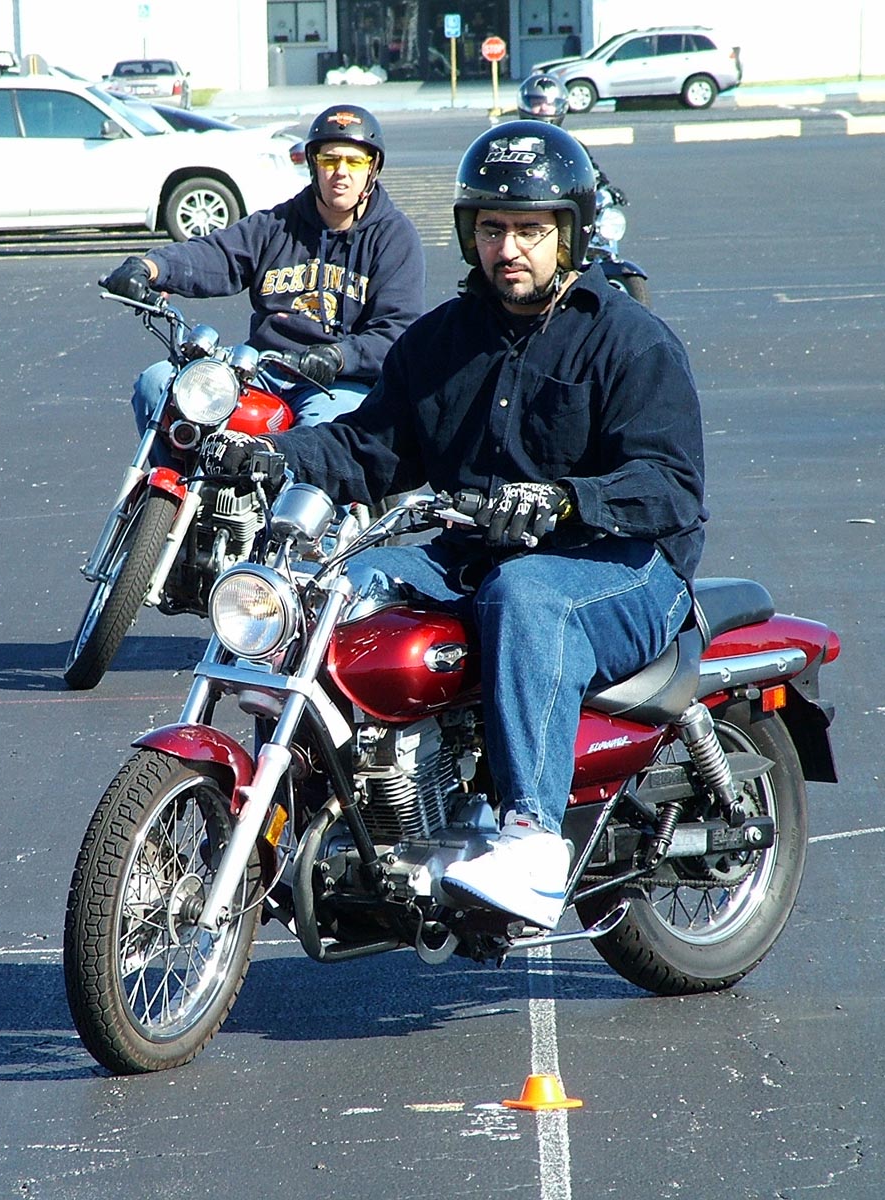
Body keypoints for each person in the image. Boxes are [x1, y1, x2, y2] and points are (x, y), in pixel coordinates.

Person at [201, 122, 707, 931]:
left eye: (531, 229)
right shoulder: (440, 341)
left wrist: (564, 499)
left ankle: (531, 840)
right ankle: (314, 813)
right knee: (327, 587)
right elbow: (368, 448)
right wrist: (272, 455)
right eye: (493, 227)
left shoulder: (628, 339)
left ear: (570, 233)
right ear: (470, 233)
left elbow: (669, 485)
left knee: (524, 593)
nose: (510, 248)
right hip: (471, 552)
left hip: (623, 565)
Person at [101, 104, 426, 448]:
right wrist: (151, 267)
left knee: (323, 440)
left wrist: (339, 356)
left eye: (354, 162)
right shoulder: (278, 225)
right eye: (329, 160)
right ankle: (177, 481)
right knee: (158, 384)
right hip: (262, 369)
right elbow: (216, 255)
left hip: (337, 382)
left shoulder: (393, 237)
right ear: (313, 164)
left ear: (372, 168)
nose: (340, 172)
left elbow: (397, 332)